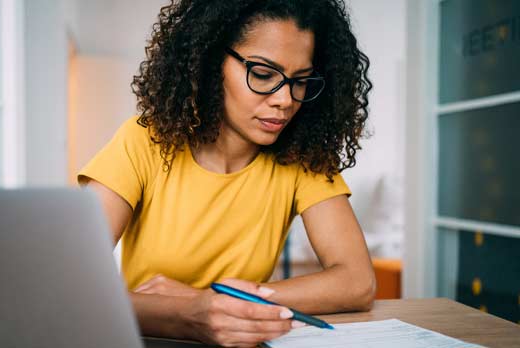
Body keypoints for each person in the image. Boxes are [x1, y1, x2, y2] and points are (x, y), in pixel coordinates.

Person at [78, 0, 375, 346]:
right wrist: (190, 315)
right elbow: (74, 287)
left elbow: (357, 282)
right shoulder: (143, 141)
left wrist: (212, 302)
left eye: (301, 81)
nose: (285, 100)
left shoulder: (303, 158)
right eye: (263, 74)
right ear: (209, 62)